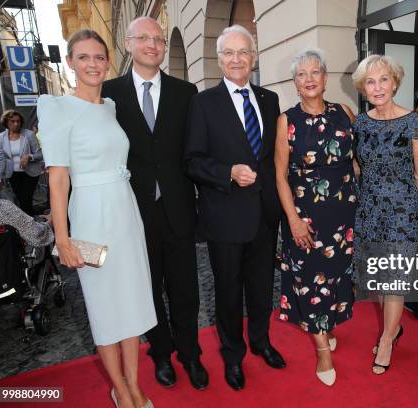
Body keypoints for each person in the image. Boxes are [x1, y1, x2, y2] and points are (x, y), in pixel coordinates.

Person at [38, 29, 156, 408]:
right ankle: (120, 390)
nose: (93, 64)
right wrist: (63, 238)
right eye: (84, 57)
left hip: (125, 212)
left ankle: (135, 385)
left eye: (99, 57)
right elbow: (58, 180)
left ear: (108, 62)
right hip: (89, 216)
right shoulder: (56, 109)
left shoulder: (109, 107)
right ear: (70, 62)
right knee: (105, 307)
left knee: (133, 303)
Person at [101, 17, 207, 391]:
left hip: (178, 208)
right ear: (128, 44)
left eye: (158, 39)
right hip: (132, 211)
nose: (152, 44)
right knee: (147, 289)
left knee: (186, 290)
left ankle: (191, 354)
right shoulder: (108, 93)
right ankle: (161, 354)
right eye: (143, 38)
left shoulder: (186, 91)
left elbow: (194, 150)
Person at [184, 24, 285, 391]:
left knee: (261, 287)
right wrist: (227, 172)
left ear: (253, 57)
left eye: (244, 52)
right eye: (230, 53)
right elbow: (192, 161)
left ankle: (261, 341)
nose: (237, 59)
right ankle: (233, 356)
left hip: (264, 214)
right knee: (227, 293)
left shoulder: (270, 99)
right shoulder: (203, 102)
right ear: (219, 58)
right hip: (224, 216)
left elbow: (277, 158)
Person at [274, 49, 356, 386]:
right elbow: (279, 175)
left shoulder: (345, 113)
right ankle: (322, 349)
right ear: (295, 83)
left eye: (315, 72)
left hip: (342, 213)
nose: (309, 79)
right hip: (306, 216)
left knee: (336, 277)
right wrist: (293, 219)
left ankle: (327, 325)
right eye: (302, 74)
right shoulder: (286, 120)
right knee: (310, 283)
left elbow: (355, 162)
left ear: (325, 78)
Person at [352, 55, 418, 375]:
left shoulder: (414, 122)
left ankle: (386, 339)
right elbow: (358, 165)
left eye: (384, 79)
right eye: (371, 82)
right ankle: (393, 329)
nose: (378, 87)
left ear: (395, 83)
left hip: (402, 210)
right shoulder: (360, 123)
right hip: (370, 209)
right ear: (363, 88)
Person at [0, 110, 43, 215]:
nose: (16, 124)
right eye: (12, 121)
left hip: (30, 173)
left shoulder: (29, 134)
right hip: (13, 174)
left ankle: (29, 225)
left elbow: (40, 154)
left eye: (18, 121)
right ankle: (30, 222)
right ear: (6, 123)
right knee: (21, 200)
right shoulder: (2, 137)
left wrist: (29, 156)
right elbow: (1, 157)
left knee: (25, 199)